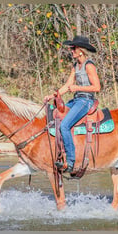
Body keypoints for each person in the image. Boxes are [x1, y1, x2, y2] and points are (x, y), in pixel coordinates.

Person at [44, 35, 101, 173]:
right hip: (76, 99)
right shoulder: (76, 66)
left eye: (73, 48)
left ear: (80, 50)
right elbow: (68, 85)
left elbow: (97, 87)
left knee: (64, 125)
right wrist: (53, 95)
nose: (71, 51)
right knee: (54, 114)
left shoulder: (89, 66)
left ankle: (70, 161)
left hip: (86, 100)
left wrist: (78, 88)